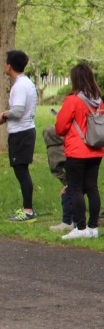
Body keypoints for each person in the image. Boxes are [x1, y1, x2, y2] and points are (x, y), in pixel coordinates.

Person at [54, 63, 104, 240]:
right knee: (92, 188)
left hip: (77, 150)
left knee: (75, 188)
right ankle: (93, 226)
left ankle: (81, 227)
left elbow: (60, 127)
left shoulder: (73, 100)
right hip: (95, 149)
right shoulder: (98, 101)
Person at [3, 50, 38, 222]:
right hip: (26, 131)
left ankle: (28, 210)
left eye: (6, 62)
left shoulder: (19, 86)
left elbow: (17, 112)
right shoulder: (26, 83)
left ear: (9, 66)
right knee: (22, 171)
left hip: (21, 134)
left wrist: (3, 115)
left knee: (21, 172)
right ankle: (27, 208)